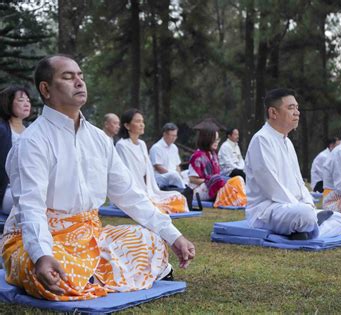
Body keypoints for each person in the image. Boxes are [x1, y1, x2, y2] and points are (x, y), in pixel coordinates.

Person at [1, 54, 195, 301]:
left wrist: (173, 235)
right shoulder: (32, 142)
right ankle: (94, 274)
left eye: (80, 76)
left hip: (89, 237)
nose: (80, 82)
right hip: (39, 240)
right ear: (46, 89)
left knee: (149, 240)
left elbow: (129, 194)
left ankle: (93, 276)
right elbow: (31, 206)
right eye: (68, 77)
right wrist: (41, 254)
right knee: (54, 270)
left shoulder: (99, 139)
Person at [245, 88, 341, 239]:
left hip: (292, 208)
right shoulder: (262, 139)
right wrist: (302, 208)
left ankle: (308, 233)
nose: (297, 112)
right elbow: (271, 187)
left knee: (339, 218)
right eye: (291, 108)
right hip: (268, 210)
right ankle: (309, 229)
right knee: (304, 214)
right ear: (273, 113)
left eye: (297, 108)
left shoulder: (288, 142)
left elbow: (299, 182)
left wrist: (308, 203)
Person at [115, 109, 189, 214]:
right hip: (130, 192)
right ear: (127, 126)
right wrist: (141, 193)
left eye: (142, 121)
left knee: (179, 198)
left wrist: (149, 191)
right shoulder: (122, 145)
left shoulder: (142, 144)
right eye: (137, 121)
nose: (142, 125)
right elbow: (127, 174)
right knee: (149, 204)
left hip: (147, 189)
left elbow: (147, 171)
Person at [188, 129, 246, 207]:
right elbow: (192, 179)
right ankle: (230, 199)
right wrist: (210, 181)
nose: (217, 142)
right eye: (214, 140)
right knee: (218, 180)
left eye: (217, 139)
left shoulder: (213, 155)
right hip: (197, 190)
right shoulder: (197, 156)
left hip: (214, 185)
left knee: (238, 178)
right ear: (206, 139)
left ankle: (241, 199)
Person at [0, 85, 31, 214]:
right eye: (20, 100)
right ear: (8, 103)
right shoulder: (2, 130)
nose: (26, 103)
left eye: (28, 100)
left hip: (28, 189)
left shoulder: (30, 132)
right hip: (7, 191)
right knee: (32, 205)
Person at [149, 122, 186, 189]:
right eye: (172, 135)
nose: (174, 138)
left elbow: (177, 165)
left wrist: (179, 174)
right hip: (161, 176)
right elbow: (158, 167)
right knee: (173, 175)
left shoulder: (174, 147)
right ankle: (184, 190)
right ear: (165, 134)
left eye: (175, 136)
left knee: (186, 173)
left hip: (174, 175)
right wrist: (174, 173)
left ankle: (187, 191)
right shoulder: (156, 148)